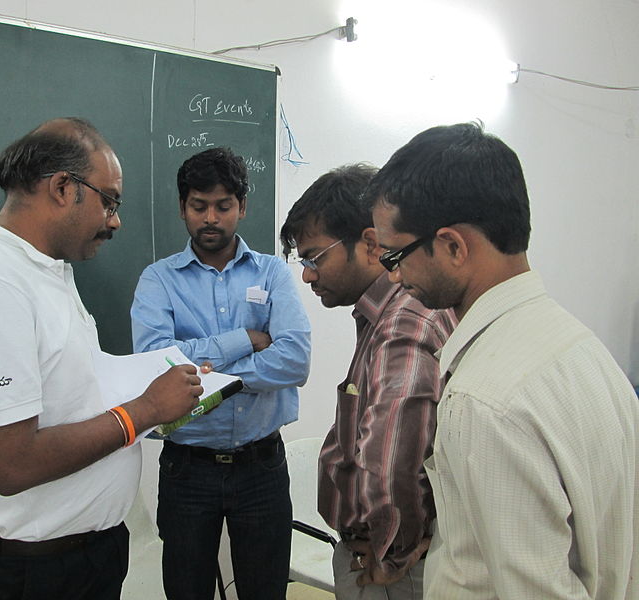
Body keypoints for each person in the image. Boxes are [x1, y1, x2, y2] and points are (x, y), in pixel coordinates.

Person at [0, 117, 206, 600]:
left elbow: (67, 396)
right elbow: (12, 464)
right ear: (62, 188)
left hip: (82, 557)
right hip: (30, 574)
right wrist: (146, 410)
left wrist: (147, 395)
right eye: (110, 201)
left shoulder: (45, 270)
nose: (115, 220)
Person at [370, 122, 639, 599]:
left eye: (395, 257)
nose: (393, 278)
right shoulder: (582, 349)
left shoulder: (487, 398)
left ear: (454, 246)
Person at [130, 147, 311, 600]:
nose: (211, 217)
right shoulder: (158, 280)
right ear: (182, 208)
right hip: (187, 471)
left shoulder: (273, 273)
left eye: (223, 205)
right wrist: (246, 339)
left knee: (265, 591)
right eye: (199, 206)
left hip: (262, 466)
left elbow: (295, 359)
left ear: (242, 207)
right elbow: (157, 364)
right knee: (187, 591)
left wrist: (207, 369)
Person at [279, 164, 456, 600]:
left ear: (371, 244)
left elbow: (393, 460)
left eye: (315, 257)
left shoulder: (402, 325)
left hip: (385, 569)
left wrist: (392, 553)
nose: (306, 274)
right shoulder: (385, 316)